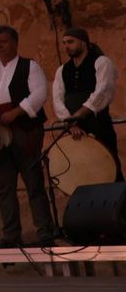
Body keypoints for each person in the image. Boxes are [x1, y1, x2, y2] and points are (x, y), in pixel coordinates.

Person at [0, 25, 55, 246]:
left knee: (33, 182)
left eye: (3, 42)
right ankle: (11, 235)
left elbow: (39, 94)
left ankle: (45, 232)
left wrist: (16, 112)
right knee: (3, 186)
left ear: (14, 42)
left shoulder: (29, 66)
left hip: (24, 129)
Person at [53, 26, 123, 182]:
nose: (66, 46)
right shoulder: (62, 70)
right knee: (82, 171)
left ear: (83, 42)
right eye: (64, 43)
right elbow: (57, 98)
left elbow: (103, 91)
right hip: (74, 129)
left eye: (70, 42)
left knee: (109, 168)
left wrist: (80, 114)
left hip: (98, 124)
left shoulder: (101, 62)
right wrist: (70, 123)